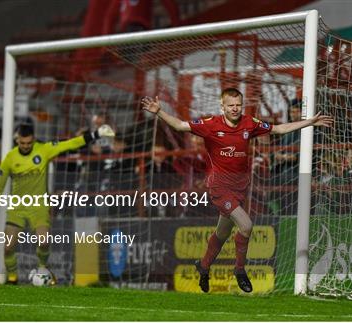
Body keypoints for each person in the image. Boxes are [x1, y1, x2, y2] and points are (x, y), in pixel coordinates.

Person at [141, 88, 333, 293]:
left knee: (222, 233)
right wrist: (159, 111)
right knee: (246, 225)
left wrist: (309, 122)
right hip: (219, 186)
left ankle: (204, 266)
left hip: (239, 187)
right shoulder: (210, 125)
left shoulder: (249, 123)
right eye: (230, 105)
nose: (235, 109)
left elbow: (278, 129)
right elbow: (180, 125)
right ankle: (240, 270)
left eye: (238, 105)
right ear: (222, 106)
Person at [0, 122, 115, 284]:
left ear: (33, 139)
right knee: (8, 246)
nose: (25, 146)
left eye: (29, 143)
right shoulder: (10, 158)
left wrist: (96, 134)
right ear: (17, 140)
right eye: (22, 143)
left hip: (39, 205)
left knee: (44, 241)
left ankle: (42, 268)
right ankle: (12, 278)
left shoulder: (44, 149)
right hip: (17, 206)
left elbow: (70, 143)